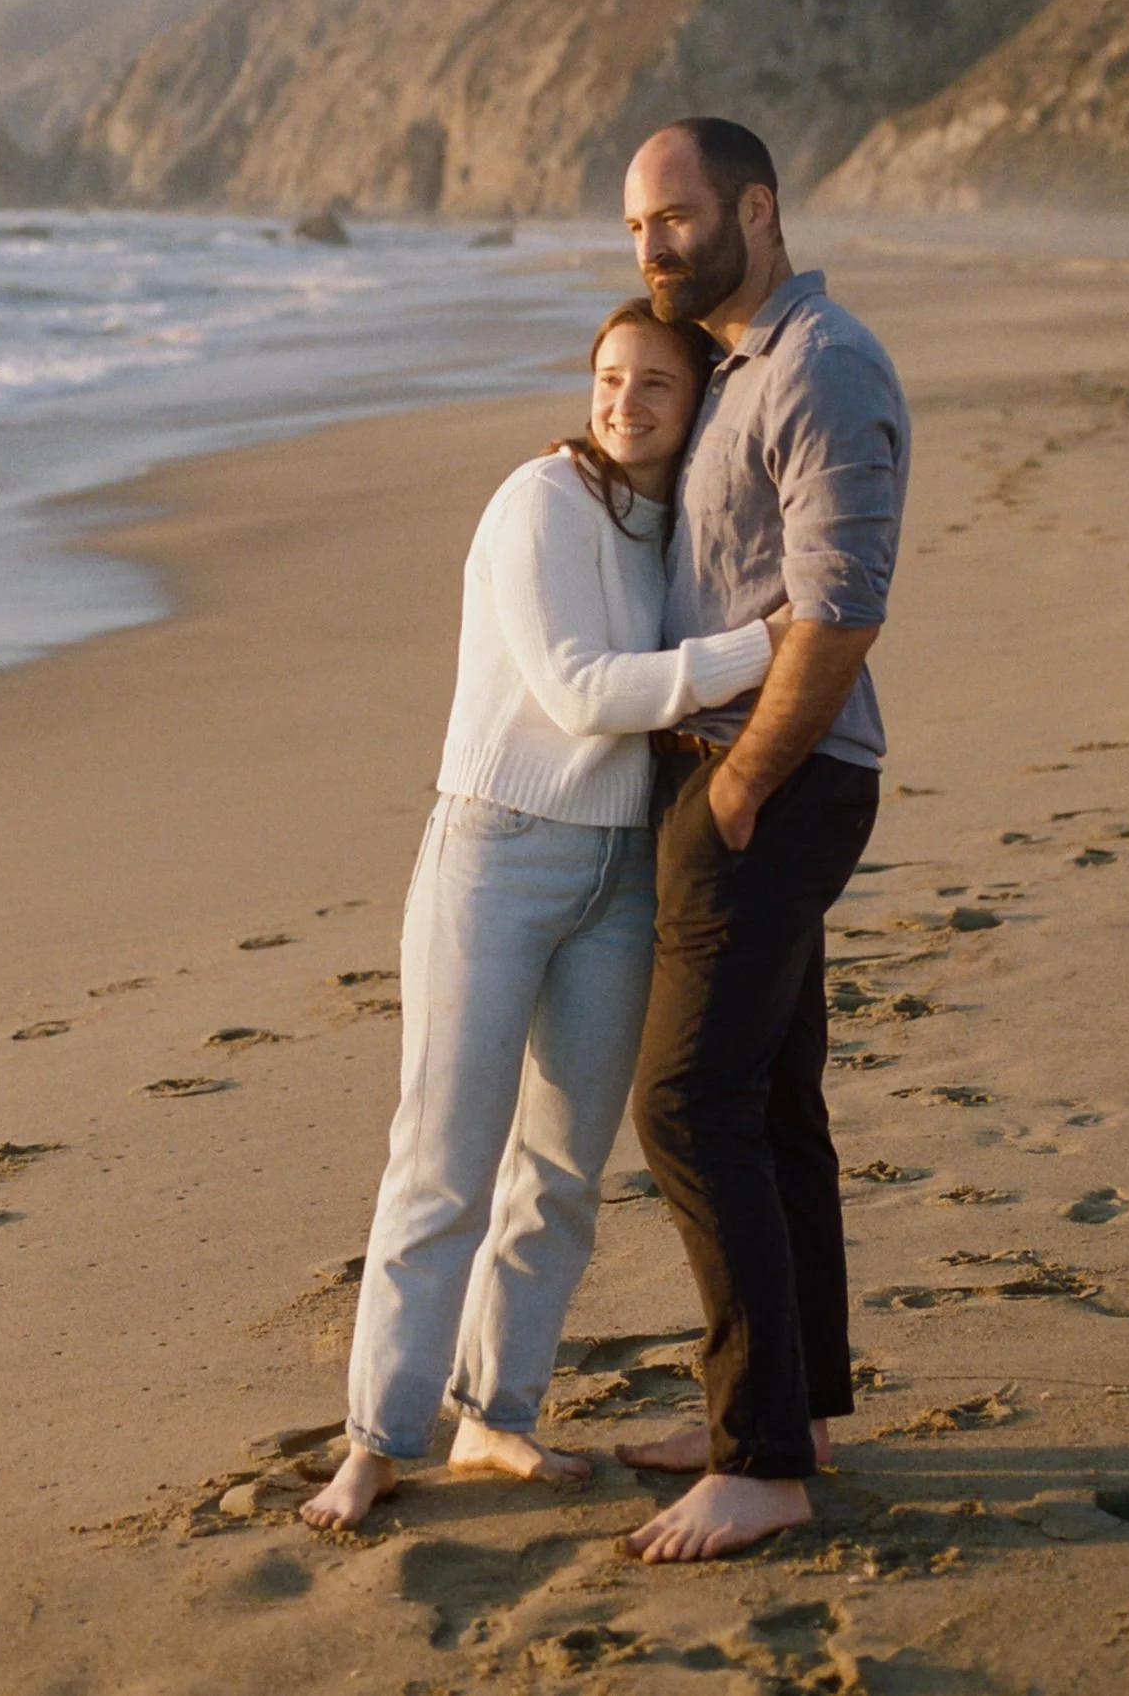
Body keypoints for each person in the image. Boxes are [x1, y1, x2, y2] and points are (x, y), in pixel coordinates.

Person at [302, 298, 782, 1532]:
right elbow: (577, 692)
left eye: (657, 385)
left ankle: (497, 1415)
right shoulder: (539, 503)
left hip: (622, 867)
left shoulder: (672, 525)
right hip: (496, 855)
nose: (627, 402)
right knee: (444, 1158)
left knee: (562, 1169)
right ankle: (375, 1438)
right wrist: (761, 649)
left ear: (699, 403)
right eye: (611, 378)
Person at [613, 117, 910, 1563]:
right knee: (777, 1102)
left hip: (775, 782)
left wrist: (740, 788)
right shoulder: (740, 365)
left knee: (685, 1103)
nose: (652, 244)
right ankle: (797, 1409)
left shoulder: (822, 364)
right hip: (749, 773)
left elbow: (843, 604)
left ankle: (759, 1460)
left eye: (673, 215)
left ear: (757, 207)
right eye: (633, 229)